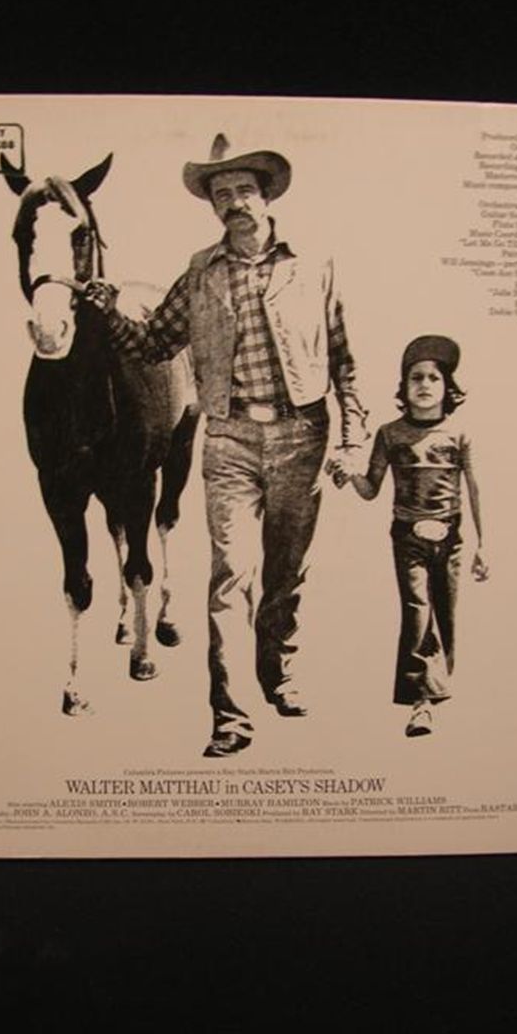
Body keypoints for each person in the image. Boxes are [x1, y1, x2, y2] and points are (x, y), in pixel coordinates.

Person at [84, 133, 369, 758]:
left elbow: (345, 360)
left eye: (243, 190)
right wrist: (108, 313)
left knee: (285, 572)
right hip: (230, 438)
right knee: (228, 577)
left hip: (302, 436)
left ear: (266, 196)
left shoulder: (314, 265)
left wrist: (353, 440)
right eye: (221, 195)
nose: (234, 202)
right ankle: (230, 715)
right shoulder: (199, 272)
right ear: (212, 207)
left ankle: (279, 673)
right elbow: (155, 344)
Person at [327, 335, 488, 736]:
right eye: (416, 377)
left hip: (450, 538)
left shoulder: (460, 434)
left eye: (434, 377)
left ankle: (436, 689)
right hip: (407, 538)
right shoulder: (389, 434)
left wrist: (485, 546)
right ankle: (421, 703)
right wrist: (348, 474)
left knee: (445, 616)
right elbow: (370, 490)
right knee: (417, 612)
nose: (425, 385)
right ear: (404, 386)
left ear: (448, 387)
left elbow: (476, 489)